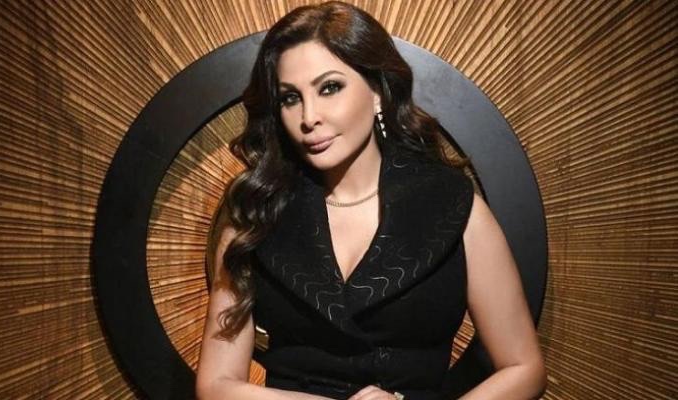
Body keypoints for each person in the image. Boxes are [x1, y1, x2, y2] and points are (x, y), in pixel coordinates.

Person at [196, 1, 547, 399]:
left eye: (329, 88)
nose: (308, 117)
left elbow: (525, 369)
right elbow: (216, 385)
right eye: (290, 98)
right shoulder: (255, 213)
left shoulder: (453, 208)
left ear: (378, 91)